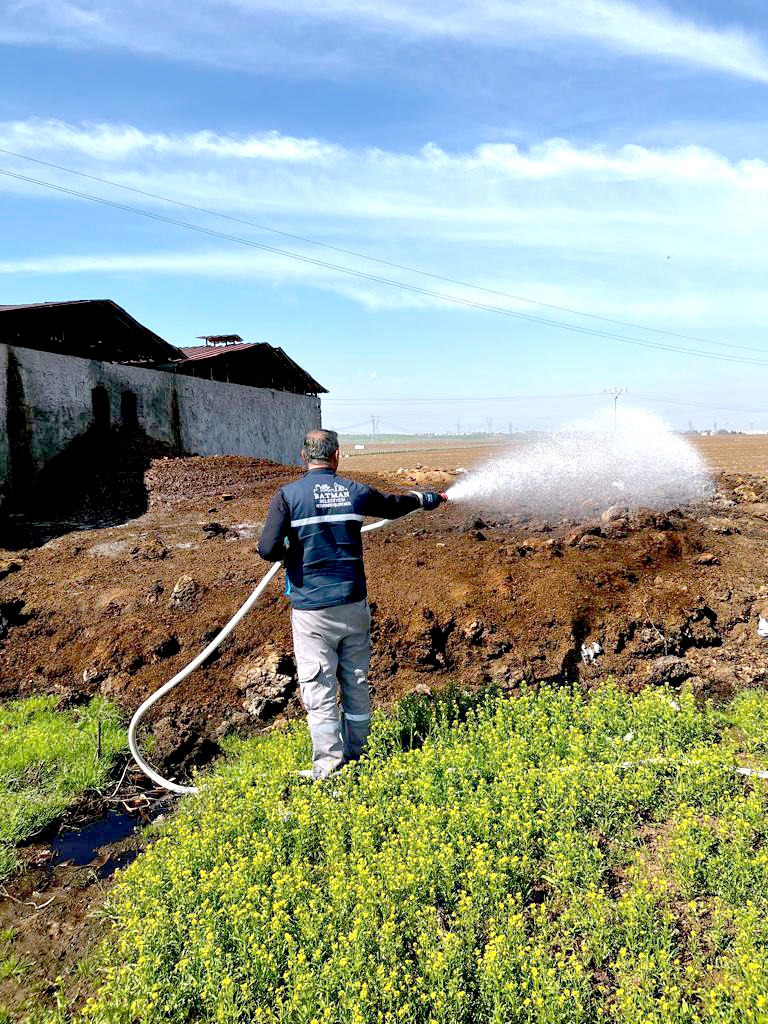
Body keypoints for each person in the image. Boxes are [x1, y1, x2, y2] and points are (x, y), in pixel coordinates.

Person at [258, 428, 445, 779]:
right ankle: (362, 754)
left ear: (304, 456)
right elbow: (393, 505)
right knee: (356, 681)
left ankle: (329, 768)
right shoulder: (354, 491)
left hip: (312, 610)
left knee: (319, 684)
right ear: (337, 456)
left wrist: (289, 552)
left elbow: (267, 549)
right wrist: (426, 498)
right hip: (353, 604)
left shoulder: (288, 496)